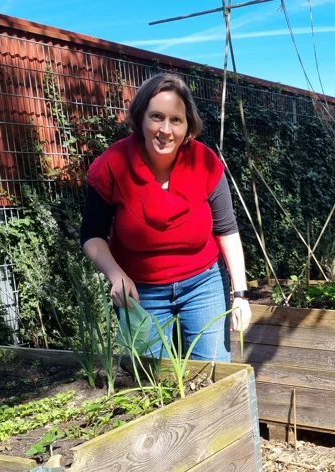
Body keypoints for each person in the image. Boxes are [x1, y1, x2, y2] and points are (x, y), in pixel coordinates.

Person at [80, 72, 251, 362]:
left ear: (188, 125)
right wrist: (116, 275)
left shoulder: (206, 163)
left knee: (211, 374)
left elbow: (227, 230)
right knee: (149, 381)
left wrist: (240, 295)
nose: (165, 129)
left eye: (176, 120)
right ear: (140, 118)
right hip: (140, 290)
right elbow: (92, 235)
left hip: (203, 284)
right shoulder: (112, 165)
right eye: (156, 116)